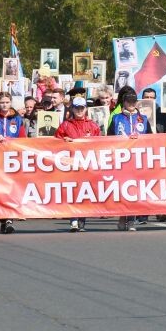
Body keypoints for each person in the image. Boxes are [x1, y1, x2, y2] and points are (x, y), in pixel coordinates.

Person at [107, 92, 153, 231]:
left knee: (135, 190)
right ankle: (122, 217)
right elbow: (108, 138)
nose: (131, 104)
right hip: (121, 159)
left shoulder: (143, 119)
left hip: (138, 159)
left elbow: (151, 138)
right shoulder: (116, 118)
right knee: (122, 190)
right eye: (128, 101)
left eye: (133, 101)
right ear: (124, 102)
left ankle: (132, 219)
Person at [55, 96, 102, 233]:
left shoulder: (93, 125)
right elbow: (55, 142)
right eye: (77, 108)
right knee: (72, 192)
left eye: (82, 108)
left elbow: (101, 144)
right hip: (71, 164)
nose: (79, 110)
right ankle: (73, 219)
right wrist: (64, 140)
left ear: (86, 109)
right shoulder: (66, 125)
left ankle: (82, 220)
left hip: (87, 164)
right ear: (72, 109)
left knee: (85, 193)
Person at [0, 92, 25, 234]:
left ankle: (9, 219)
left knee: (11, 189)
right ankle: (3, 218)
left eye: (7, 102)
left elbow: (23, 138)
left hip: (12, 158)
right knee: (0, 190)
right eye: (2, 102)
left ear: (11, 102)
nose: (4, 105)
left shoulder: (17, 119)